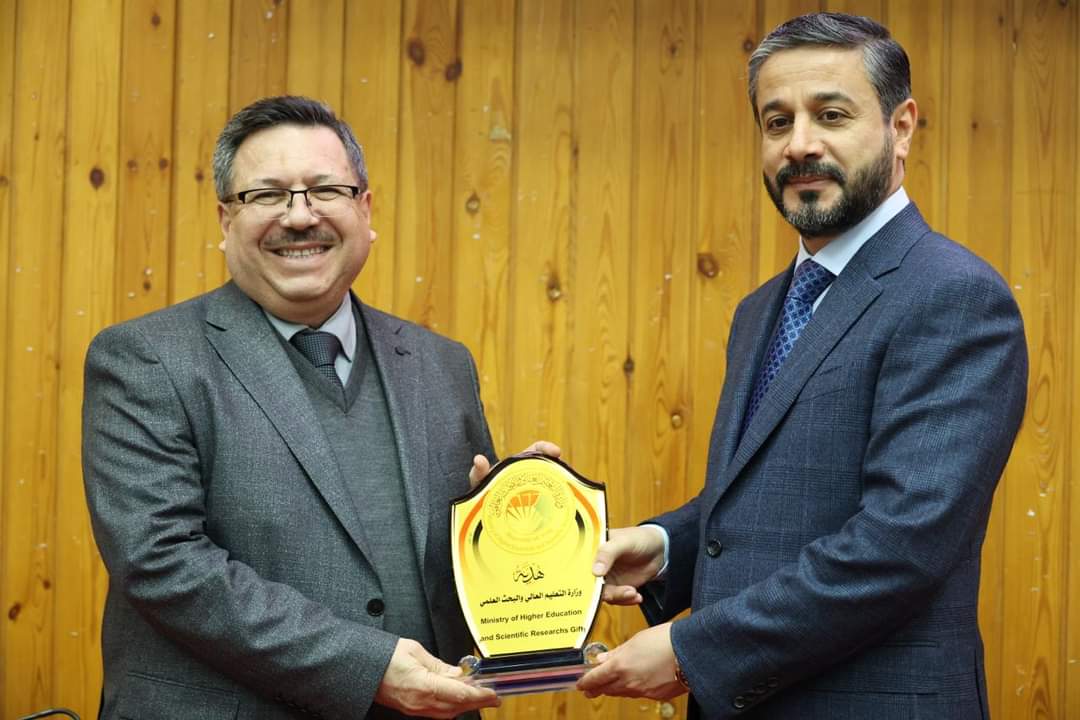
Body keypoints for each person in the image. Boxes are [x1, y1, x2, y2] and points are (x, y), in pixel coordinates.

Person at [578, 12, 1027, 720]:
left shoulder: (955, 296)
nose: (800, 145)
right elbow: (776, 502)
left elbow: (899, 546)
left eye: (832, 115)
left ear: (901, 128)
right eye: (777, 121)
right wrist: (665, 547)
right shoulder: (760, 310)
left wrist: (695, 650)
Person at [82, 95, 554, 719]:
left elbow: (466, 571)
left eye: (325, 190)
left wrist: (532, 530)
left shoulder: (442, 364)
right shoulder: (147, 359)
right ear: (225, 220)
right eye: (268, 195)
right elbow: (162, 563)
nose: (300, 216)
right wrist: (366, 668)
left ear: (366, 210)